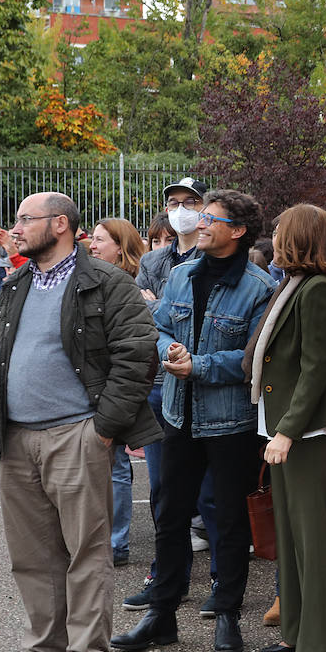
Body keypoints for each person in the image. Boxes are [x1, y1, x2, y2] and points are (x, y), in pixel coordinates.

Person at [0, 191, 160, 652]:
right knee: (31, 553)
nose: (15, 228)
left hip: (77, 435)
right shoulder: (17, 281)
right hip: (14, 438)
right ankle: (45, 651)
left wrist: (103, 428)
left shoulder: (107, 282)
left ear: (60, 223)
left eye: (25, 219)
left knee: (86, 551)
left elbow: (136, 358)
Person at [112, 190, 275, 652]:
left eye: (209, 218)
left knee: (227, 521)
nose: (198, 223)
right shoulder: (180, 276)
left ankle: (227, 613)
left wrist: (199, 365)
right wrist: (169, 352)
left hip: (230, 423)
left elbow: (252, 360)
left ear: (238, 231)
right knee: (170, 514)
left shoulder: (260, 287)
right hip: (176, 414)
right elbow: (158, 328)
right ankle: (160, 615)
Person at [249, 204, 326, 652]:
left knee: (311, 540)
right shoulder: (295, 283)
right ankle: (298, 631)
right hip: (289, 426)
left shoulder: (317, 290)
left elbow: (316, 369)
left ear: (297, 237)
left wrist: (287, 430)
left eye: (278, 232)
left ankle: (322, 644)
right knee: (293, 536)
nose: (272, 238)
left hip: (308, 431)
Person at [125, 178, 209, 610]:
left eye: (189, 202)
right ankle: (165, 578)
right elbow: (145, 322)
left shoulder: (216, 255)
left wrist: (158, 305)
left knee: (211, 493)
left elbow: (196, 320)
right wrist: (161, 310)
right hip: (162, 386)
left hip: (209, 388)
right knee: (163, 490)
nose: (180, 210)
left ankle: (220, 581)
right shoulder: (154, 259)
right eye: (174, 203)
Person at [87, 218, 147, 566]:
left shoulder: (130, 284)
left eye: (99, 240)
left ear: (120, 246)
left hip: (118, 385)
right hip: (92, 385)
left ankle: (116, 543)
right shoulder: (89, 278)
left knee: (117, 463)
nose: (92, 246)